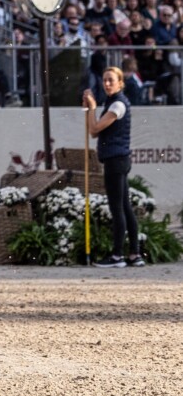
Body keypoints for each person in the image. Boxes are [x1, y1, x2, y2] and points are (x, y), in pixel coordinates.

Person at [84, 67, 143, 267]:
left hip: (115, 161)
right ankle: (135, 255)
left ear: (120, 83)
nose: (107, 84)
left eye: (111, 80)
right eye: (105, 80)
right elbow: (94, 130)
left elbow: (93, 129)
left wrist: (91, 108)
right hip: (118, 160)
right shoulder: (112, 102)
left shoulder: (118, 104)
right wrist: (89, 109)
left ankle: (117, 256)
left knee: (117, 208)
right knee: (125, 207)